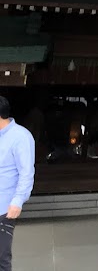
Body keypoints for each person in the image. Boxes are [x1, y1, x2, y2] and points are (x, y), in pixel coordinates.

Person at [0, 96, 35, 271]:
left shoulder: (21, 136)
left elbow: (26, 173)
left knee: (1, 258)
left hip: (4, 208)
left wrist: (18, 200)